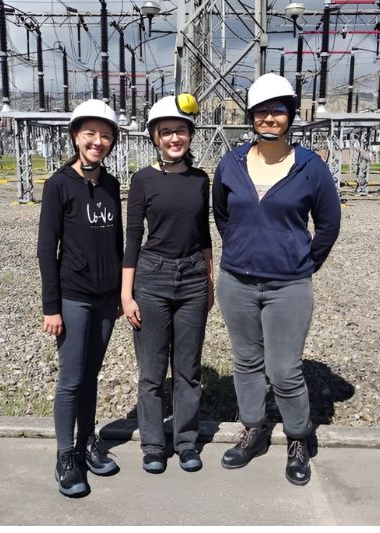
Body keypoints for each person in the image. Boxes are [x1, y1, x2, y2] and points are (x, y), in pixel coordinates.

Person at [211, 73, 341, 486]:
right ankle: (253, 428)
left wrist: (302, 262)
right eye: (262, 111)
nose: (269, 118)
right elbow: (222, 216)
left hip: (288, 286)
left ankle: (298, 437)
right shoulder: (230, 164)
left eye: (277, 111)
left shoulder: (310, 167)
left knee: (284, 369)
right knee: (246, 362)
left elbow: (328, 224)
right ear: (252, 117)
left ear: (290, 116)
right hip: (236, 282)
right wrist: (240, 249)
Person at [121, 94, 213, 474]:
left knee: (189, 369)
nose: (174, 138)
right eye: (166, 132)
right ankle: (154, 444)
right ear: (155, 138)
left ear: (189, 135)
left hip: (192, 277)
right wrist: (126, 293)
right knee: (152, 370)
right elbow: (131, 237)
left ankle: (187, 441)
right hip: (152, 277)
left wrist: (210, 280)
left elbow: (203, 233)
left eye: (180, 131)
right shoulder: (142, 180)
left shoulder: (200, 179)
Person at [37, 99, 124, 498]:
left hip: (107, 300)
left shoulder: (110, 184)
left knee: (91, 375)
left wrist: (123, 293)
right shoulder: (58, 185)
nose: (97, 141)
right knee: (71, 378)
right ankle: (65, 455)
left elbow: (119, 241)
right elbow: (45, 248)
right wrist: (51, 306)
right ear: (75, 137)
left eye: (105, 135)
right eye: (90, 134)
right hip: (73, 297)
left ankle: (88, 442)